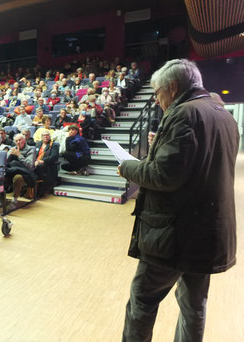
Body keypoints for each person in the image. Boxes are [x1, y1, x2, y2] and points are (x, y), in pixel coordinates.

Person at [118, 59, 239, 342]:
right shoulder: (221, 113)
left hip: (174, 234)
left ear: (172, 87)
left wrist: (128, 166)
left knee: (142, 303)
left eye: (158, 93)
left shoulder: (183, 113)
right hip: (208, 231)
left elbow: (163, 175)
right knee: (194, 306)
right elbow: (196, 164)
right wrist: (160, 144)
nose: (158, 101)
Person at [5, 133, 36, 208]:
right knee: (1, 175)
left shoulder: (30, 150)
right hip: (12, 170)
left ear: (24, 140)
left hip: (25, 173)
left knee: (17, 178)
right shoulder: (13, 149)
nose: (18, 142)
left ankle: (15, 200)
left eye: (20, 140)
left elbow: (30, 166)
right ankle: (1, 198)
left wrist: (19, 155)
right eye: (16, 141)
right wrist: (9, 155)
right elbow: (5, 162)